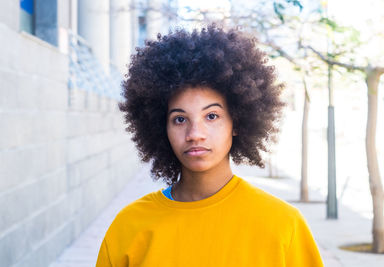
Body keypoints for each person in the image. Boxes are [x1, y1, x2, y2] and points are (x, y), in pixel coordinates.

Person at [96, 25, 324, 267]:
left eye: (212, 116)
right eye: (180, 119)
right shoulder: (129, 226)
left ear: (236, 122)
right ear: (161, 127)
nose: (195, 134)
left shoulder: (283, 225)